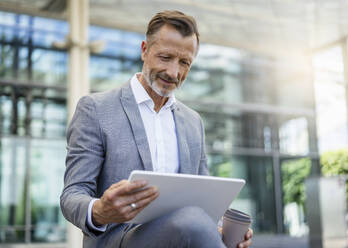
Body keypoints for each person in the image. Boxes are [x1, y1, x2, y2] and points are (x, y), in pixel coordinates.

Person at [61, 10, 253, 248]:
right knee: (192, 219)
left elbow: (204, 202)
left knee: (195, 220)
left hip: (182, 234)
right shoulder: (96, 109)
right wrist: (100, 210)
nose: (174, 73)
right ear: (144, 50)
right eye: (165, 57)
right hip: (118, 239)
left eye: (184, 62)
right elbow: (72, 195)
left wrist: (218, 232)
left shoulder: (193, 122)